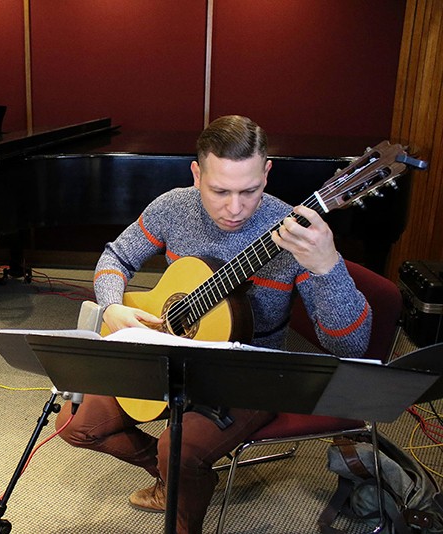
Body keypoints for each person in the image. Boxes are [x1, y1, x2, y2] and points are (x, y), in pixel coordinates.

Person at [55, 115, 372, 532]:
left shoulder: (295, 234)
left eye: (250, 190)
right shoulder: (173, 207)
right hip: (168, 352)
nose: (236, 208)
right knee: (74, 424)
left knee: (179, 448)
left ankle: (183, 493)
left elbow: (351, 347)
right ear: (196, 173)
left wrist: (328, 266)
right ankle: (177, 480)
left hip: (249, 372)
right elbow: (116, 257)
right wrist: (112, 305)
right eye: (219, 190)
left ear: (267, 172)